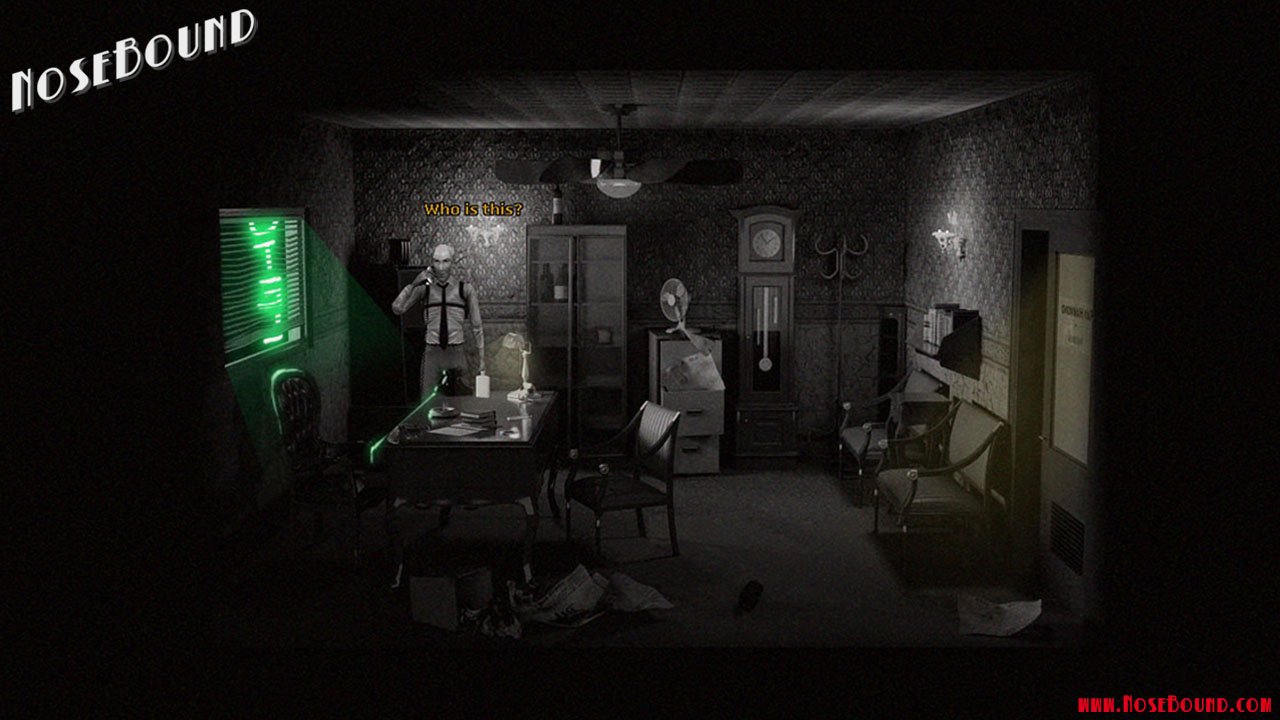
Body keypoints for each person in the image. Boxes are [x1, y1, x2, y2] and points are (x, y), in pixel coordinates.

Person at [392, 243, 485, 397]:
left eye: (445, 261)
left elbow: (477, 326)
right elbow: (397, 308)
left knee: (460, 402)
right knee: (428, 402)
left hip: (456, 352)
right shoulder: (424, 289)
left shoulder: (465, 289)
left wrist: (482, 359)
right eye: (437, 261)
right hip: (432, 353)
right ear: (432, 263)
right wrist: (414, 283)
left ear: (452, 263)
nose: (441, 267)